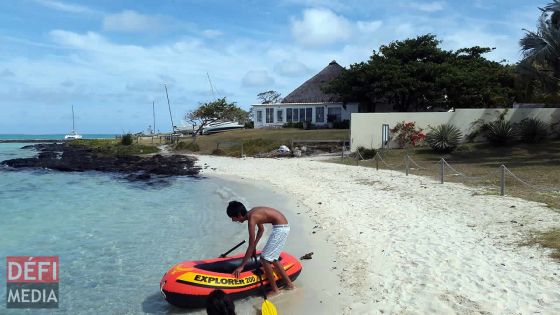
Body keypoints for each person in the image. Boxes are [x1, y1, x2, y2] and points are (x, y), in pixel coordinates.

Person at [226, 200, 294, 296]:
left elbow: (250, 245)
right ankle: (289, 285)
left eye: (233, 218)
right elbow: (261, 230)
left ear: (239, 215)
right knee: (273, 258)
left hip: (281, 228)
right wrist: (255, 245)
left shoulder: (252, 218)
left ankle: (275, 290)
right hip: (281, 227)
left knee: (264, 259)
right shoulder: (252, 213)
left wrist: (241, 266)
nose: (233, 220)